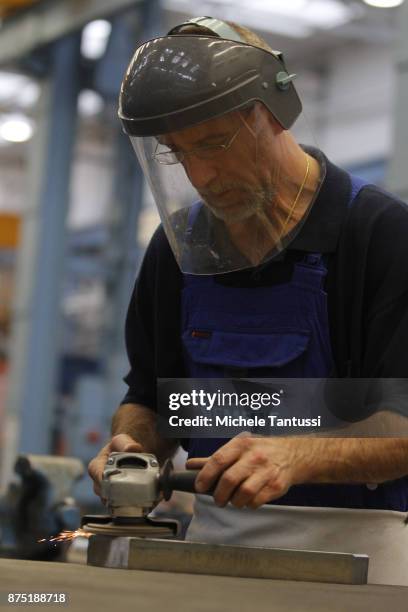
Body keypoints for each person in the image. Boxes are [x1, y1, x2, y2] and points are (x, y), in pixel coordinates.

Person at [89, 17, 408, 585]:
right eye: (176, 152)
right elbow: (151, 399)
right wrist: (132, 449)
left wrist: (294, 455)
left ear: (273, 112)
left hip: (363, 559)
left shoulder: (379, 234)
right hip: (213, 550)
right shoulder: (177, 248)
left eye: (214, 143)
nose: (202, 174)